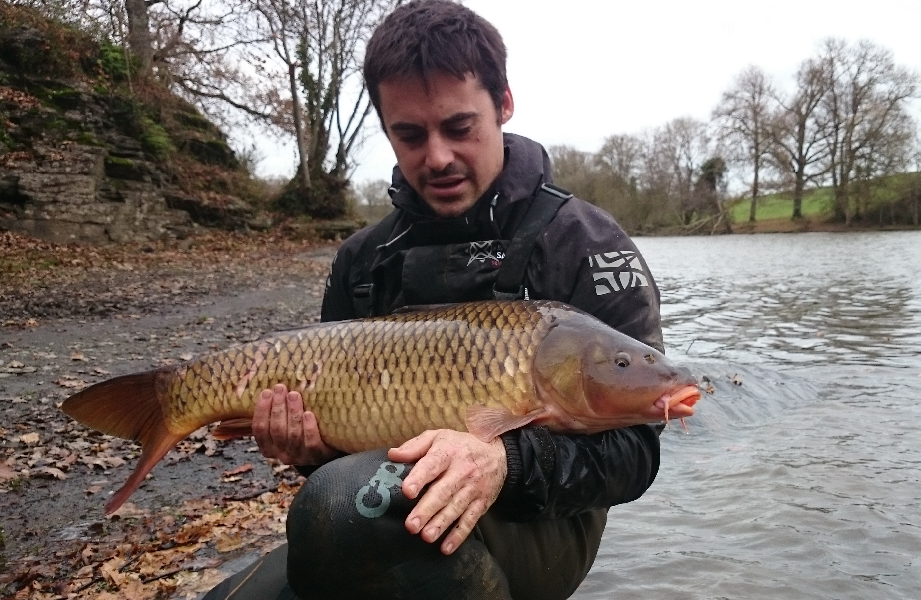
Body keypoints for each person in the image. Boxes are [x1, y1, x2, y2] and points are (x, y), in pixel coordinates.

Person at [203, 1, 664, 598]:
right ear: (385, 126)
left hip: (537, 520)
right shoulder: (363, 260)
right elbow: (335, 457)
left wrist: (506, 464)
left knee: (342, 508)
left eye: (459, 127)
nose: (438, 157)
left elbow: (636, 451)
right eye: (411, 135)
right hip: (374, 503)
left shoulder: (587, 244)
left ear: (503, 105)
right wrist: (307, 449)